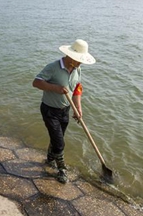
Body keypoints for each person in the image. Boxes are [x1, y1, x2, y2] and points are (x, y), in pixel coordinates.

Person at [32, 39, 96, 183]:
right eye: (78, 60)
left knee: (57, 138)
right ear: (70, 55)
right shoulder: (53, 67)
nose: (80, 63)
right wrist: (55, 88)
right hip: (49, 110)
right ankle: (62, 170)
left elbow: (77, 88)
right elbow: (36, 82)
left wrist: (78, 107)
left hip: (65, 110)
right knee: (59, 142)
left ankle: (50, 158)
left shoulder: (77, 69)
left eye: (81, 61)